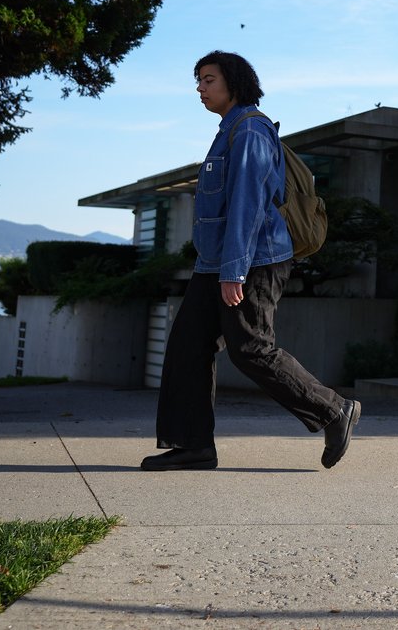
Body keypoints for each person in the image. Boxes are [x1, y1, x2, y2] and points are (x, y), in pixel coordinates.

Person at [141, 50, 359, 472]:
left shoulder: (250, 130)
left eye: (208, 79)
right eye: (198, 80)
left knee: (251, 348)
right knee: (188, 346)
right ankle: (193, 445)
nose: (199, 88)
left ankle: (334, 410)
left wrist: (234, 270)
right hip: (217, 262)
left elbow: (247, 205)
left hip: (253, 260)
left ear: (233, 84)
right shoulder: (228, 131)